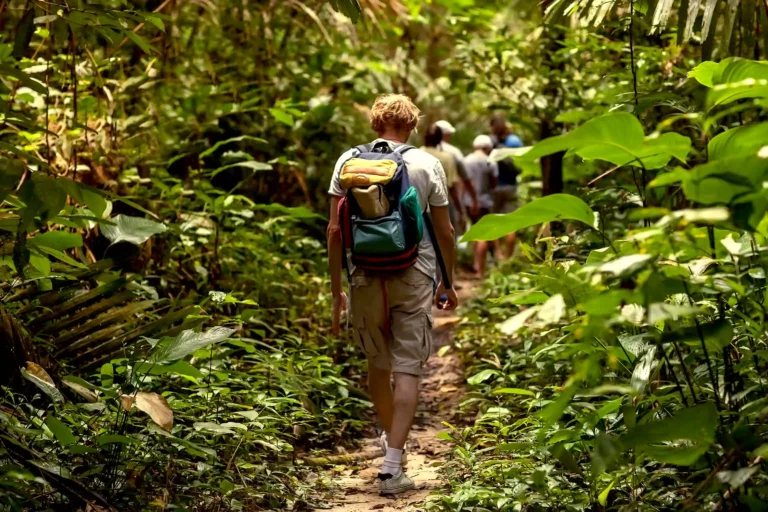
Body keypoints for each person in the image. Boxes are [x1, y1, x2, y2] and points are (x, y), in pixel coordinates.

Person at [327, 94, 458, 495]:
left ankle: (389, 444)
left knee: (377, 363)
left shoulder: (348, 161)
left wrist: (337, 292)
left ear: (375, 123)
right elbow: (445, 232)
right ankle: (392, 465)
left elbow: (334, 232)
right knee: (407, 366)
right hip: (414, 273)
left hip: (364, 274)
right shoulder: (426, 163)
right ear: (412, 125)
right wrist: (447, 281)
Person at [463, 135, 498, 278]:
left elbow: (463, 181)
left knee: (474, 231)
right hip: (484, 201)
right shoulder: (490, 161)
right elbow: (494, 183)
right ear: (487, 147)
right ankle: (481, 270)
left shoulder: (466, 160)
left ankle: (476, 264)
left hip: (468, 202)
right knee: (483, 234)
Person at [419, 125, 464, 232]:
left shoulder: (415, 154)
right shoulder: (447, 158)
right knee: (445, 242)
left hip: (419, 208)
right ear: (440, 139)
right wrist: (460, 210)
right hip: (442, 209)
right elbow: (452, 187)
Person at [435, 120, 480, 226]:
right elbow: (466, 178)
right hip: (449, 199)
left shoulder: (423, 150)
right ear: (445, 135)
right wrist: (474, 200)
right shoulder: (453, 152)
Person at [490, 113, 520, 260]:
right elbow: (521, 162)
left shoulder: (491, 141)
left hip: (496, 187)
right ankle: (508, 258)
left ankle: (498, 254)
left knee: (493, 222)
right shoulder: (514, 141)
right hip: (511, 186)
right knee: (511, 224)